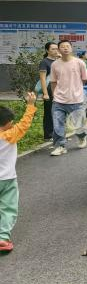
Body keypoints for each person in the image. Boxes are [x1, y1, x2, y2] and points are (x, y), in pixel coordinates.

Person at [0, 92, 37, 253]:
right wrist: (30, 105)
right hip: (8, 179)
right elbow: (24, 123)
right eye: (11, 121)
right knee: (8, 208)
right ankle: (2, 237)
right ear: (6, 123)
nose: (13, 123)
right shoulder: (11, 135)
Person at [49, 40, 87, 156]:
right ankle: (60, 146)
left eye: (67, 46)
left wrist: (75, 89)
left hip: (76, 100)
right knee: (57, 125)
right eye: (62, 46)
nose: (65, 48)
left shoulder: (79, 63)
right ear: (59, 50)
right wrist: (54, 95)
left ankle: (82, 137)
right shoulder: (55, 64)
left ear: (71, 49)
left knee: (78, 125)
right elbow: (53, 82)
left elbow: (84, 79)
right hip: (58, 100)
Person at [39, 42, 60, 141]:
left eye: (56, 49)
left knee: (58, 111)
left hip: (58, 89)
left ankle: (57, 132)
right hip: (49, 89)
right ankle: (48, 134)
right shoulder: (44, 62)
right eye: (53, 49)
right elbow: (43, 79)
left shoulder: (58, 61)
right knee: (49, 112)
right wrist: (45, 93)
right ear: (47, 50)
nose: (56, 51)